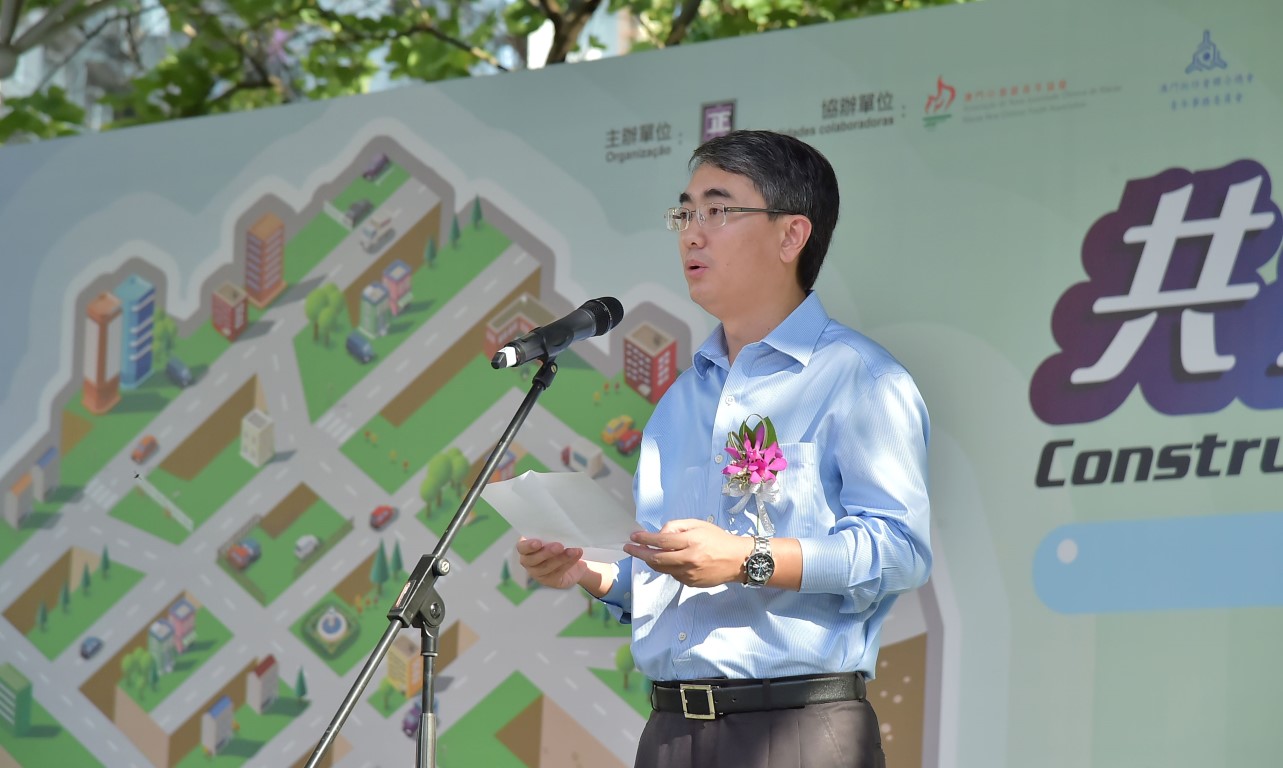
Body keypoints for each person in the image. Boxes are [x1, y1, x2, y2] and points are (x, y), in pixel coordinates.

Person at [517, 129, 932, 768]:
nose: (691, 233)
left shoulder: (859, 378)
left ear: (792, 235)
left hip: (797, 730)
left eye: (717, 211)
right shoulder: (681, 401)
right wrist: (591, 574)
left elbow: (900, 551)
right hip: (671, 731)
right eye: (684, 213)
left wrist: (748, 558)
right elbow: (678, 574)